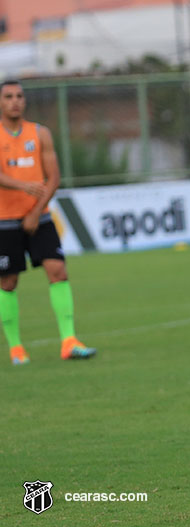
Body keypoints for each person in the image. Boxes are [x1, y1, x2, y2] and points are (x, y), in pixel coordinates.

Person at [0, 80, 96, 365]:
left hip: (39, 217)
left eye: (19, 96)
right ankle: (16, 348)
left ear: (25, 101)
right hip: (4, 220)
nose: (15, 101)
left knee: (58, 270)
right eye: (8, 96)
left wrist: (35, 212)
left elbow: (53, 177)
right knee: (8, 281)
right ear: (1, 102)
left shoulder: (40, 133)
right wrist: (22, 186)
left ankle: (69, 341)